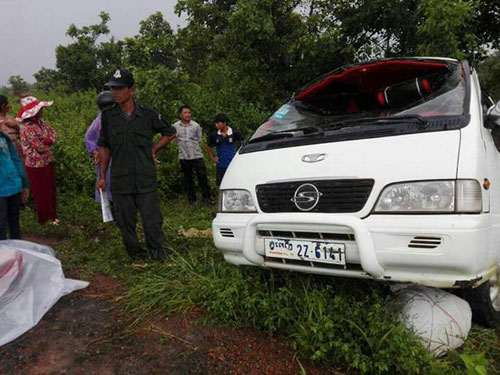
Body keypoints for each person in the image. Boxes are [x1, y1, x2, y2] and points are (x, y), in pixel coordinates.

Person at [97, 68, 176, 261]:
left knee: (152, 219)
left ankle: (157, 253)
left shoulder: (148, 115)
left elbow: (170, 132)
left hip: (145, 177)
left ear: (132, 90)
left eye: (119, 88)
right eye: (112, 88)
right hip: (121, 178)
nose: (114, 92)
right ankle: (136, 256)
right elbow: (104, 147)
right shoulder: (108, 117)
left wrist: (154, 149)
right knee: (125, 221)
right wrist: (101, 176)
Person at [17, 96, 58, 225]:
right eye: (40, 108)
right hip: (35, 165)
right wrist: (48, 141)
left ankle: (53, 216)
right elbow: (39, 147)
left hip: (46, 161)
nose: (42, 110)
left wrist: (48, 140)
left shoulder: (41, 123)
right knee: (41, 192)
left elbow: (54, 134)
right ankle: (45, 219)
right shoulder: (26, 128)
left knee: (50, 189)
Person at [172, 105, 213, 203]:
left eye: (189, 113)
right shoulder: (175, 126)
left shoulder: (195, 126)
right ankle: (191, 199)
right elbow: (175, 140)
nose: (188, 115)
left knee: (202, 177)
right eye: (185, 113)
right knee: (188, 178)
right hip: (184, 156)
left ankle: (207, 198)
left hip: (196, 155)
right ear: (180, 115)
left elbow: (199, 139)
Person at [0, 126, 29, 240]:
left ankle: (17, 250)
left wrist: (24, 183)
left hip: (14, 184)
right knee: (1, 223)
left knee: (14, 220)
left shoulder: (4, 138)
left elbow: (15, 159)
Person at [85, 91, 114, 203]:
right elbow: (89, 138)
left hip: (119, 157)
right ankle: (109, 206)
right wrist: (94, 151)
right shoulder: (99, 121)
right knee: (106, 180)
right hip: (106, 158)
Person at [205, 114, 243, 187]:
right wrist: (212, 157)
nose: (216, 125)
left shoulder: (234, 132)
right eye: (215, 123)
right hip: (221, 164)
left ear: (224, 123)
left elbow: (243, 142)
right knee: (221, 184)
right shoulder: (214, 135)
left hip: (232, 164)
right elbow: (208, 146)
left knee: (234, 183)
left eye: (218, 123)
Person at [0, 95, 23, 165]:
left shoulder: (9, 118)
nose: (10, 105)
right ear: (3, 106)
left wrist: (16, 126)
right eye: (8, 103)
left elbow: (22, 133)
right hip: (11, 154)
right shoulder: (3, 121)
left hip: (18, 151)